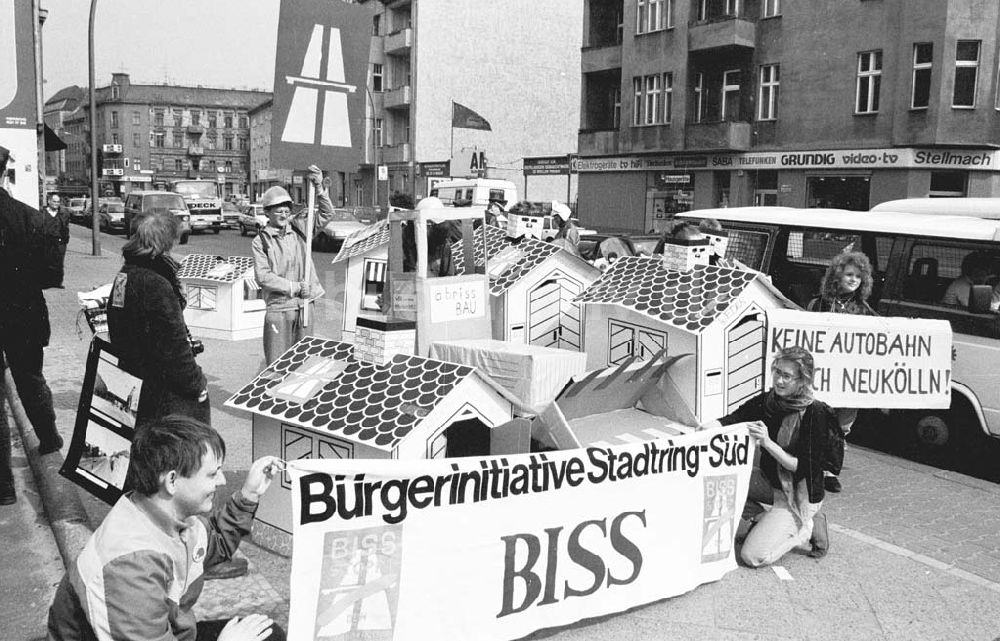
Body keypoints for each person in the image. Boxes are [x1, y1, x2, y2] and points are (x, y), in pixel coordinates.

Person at [47, 415, 285, 641]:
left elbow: (216, 543)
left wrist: (249, 494)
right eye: (213, 473)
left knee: (267, 633)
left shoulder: (163, 513)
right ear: (172, 481)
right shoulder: (130, 566)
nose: (222, 481)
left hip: (162, 631)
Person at [702, 346, 833, 567]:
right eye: (777, 372)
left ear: (802, 380)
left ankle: (804, 529)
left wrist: (768, 443)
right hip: (771, 482)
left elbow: (801, 467)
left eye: (787, 376)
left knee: (752, 556)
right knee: (719, 481)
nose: (779, 381)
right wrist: (706, 427)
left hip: (798, 493)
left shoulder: (815, 413)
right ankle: (764, 519)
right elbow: (736, 417)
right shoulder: (771, 400)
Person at [0, 154, 63, 506]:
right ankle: (50, 439)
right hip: (22, 313)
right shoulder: (28, 216)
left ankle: (4, 485)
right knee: (31, 379)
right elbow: (51, 275)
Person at [106, 210, 210, 426]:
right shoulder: (156, 283)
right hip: (163, 391)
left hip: (136, 378)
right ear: (163, 243)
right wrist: (197, 383)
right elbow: (174, 345)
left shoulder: (126, 273)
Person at [807, 250, 876, 493]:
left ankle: (829, 470)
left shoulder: (864, 309)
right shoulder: (820, 303)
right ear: (837, 275)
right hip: (823, 377)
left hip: (849, 379)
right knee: (819, 419)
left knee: (843, 425)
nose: (853, 279)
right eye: (849, 274)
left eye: (858, 276)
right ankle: (813, 466)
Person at [252, 165, 334, 365]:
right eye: (278, 210)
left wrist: (320, 187)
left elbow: (327, 214)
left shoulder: (299, 228)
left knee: (303, 363)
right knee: (278, 364)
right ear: (267, 213)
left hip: (305, 305)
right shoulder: (261, 240)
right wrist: (294, 287)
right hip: (279, 309)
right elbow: (263, 276)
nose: (283, 213)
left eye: (286, 209)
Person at [41, 192, 70, 288]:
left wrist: (65, 239)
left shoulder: (63, 213)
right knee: (46, 261)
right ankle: (46, 282)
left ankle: (57, 282)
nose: (56, 204)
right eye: (54, 201)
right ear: (49, 201)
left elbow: (66, 226)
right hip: (46, 240)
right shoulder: (42, 213)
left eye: (58, 202)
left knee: (59, 262)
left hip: (59, 241)